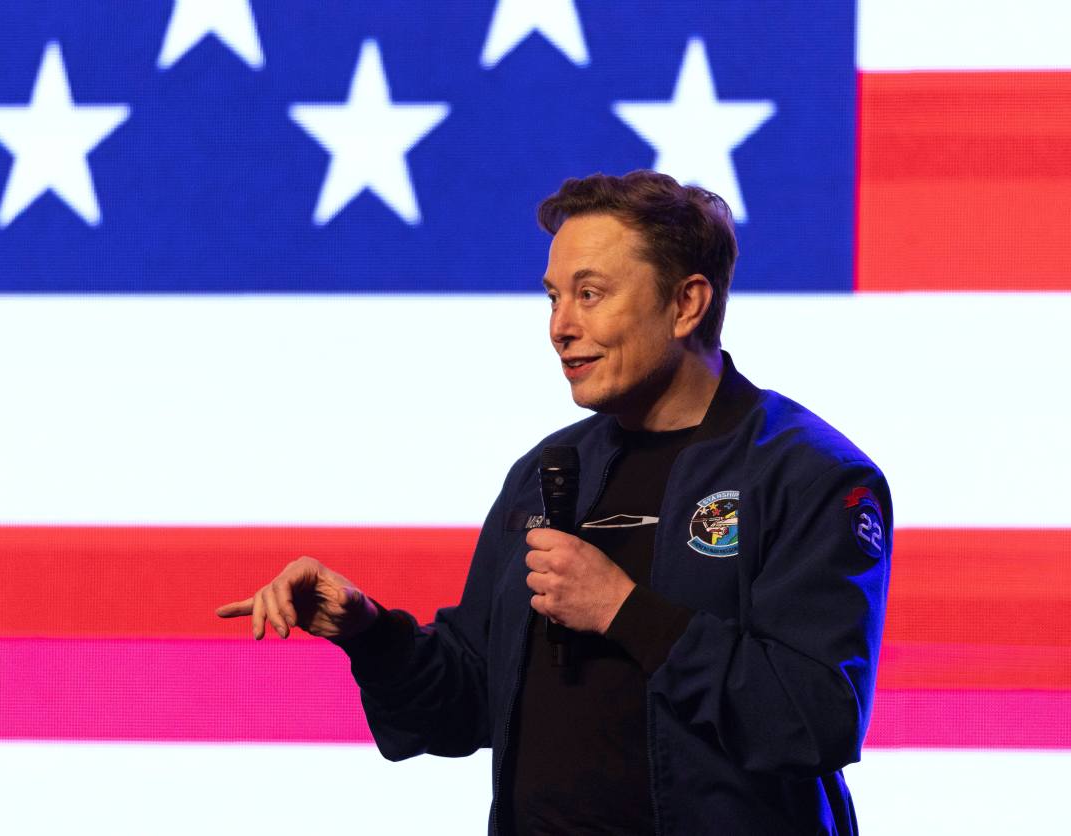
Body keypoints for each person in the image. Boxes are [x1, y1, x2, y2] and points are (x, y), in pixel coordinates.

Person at [217, 170, 891, 835]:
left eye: (590, 294)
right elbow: (466, 704)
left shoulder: (810, 476)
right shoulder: (545, 471)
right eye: (553, 297)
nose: (561, 327)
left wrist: (624, 610)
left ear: (686, 304)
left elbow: (815, 720)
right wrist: (369, 633)